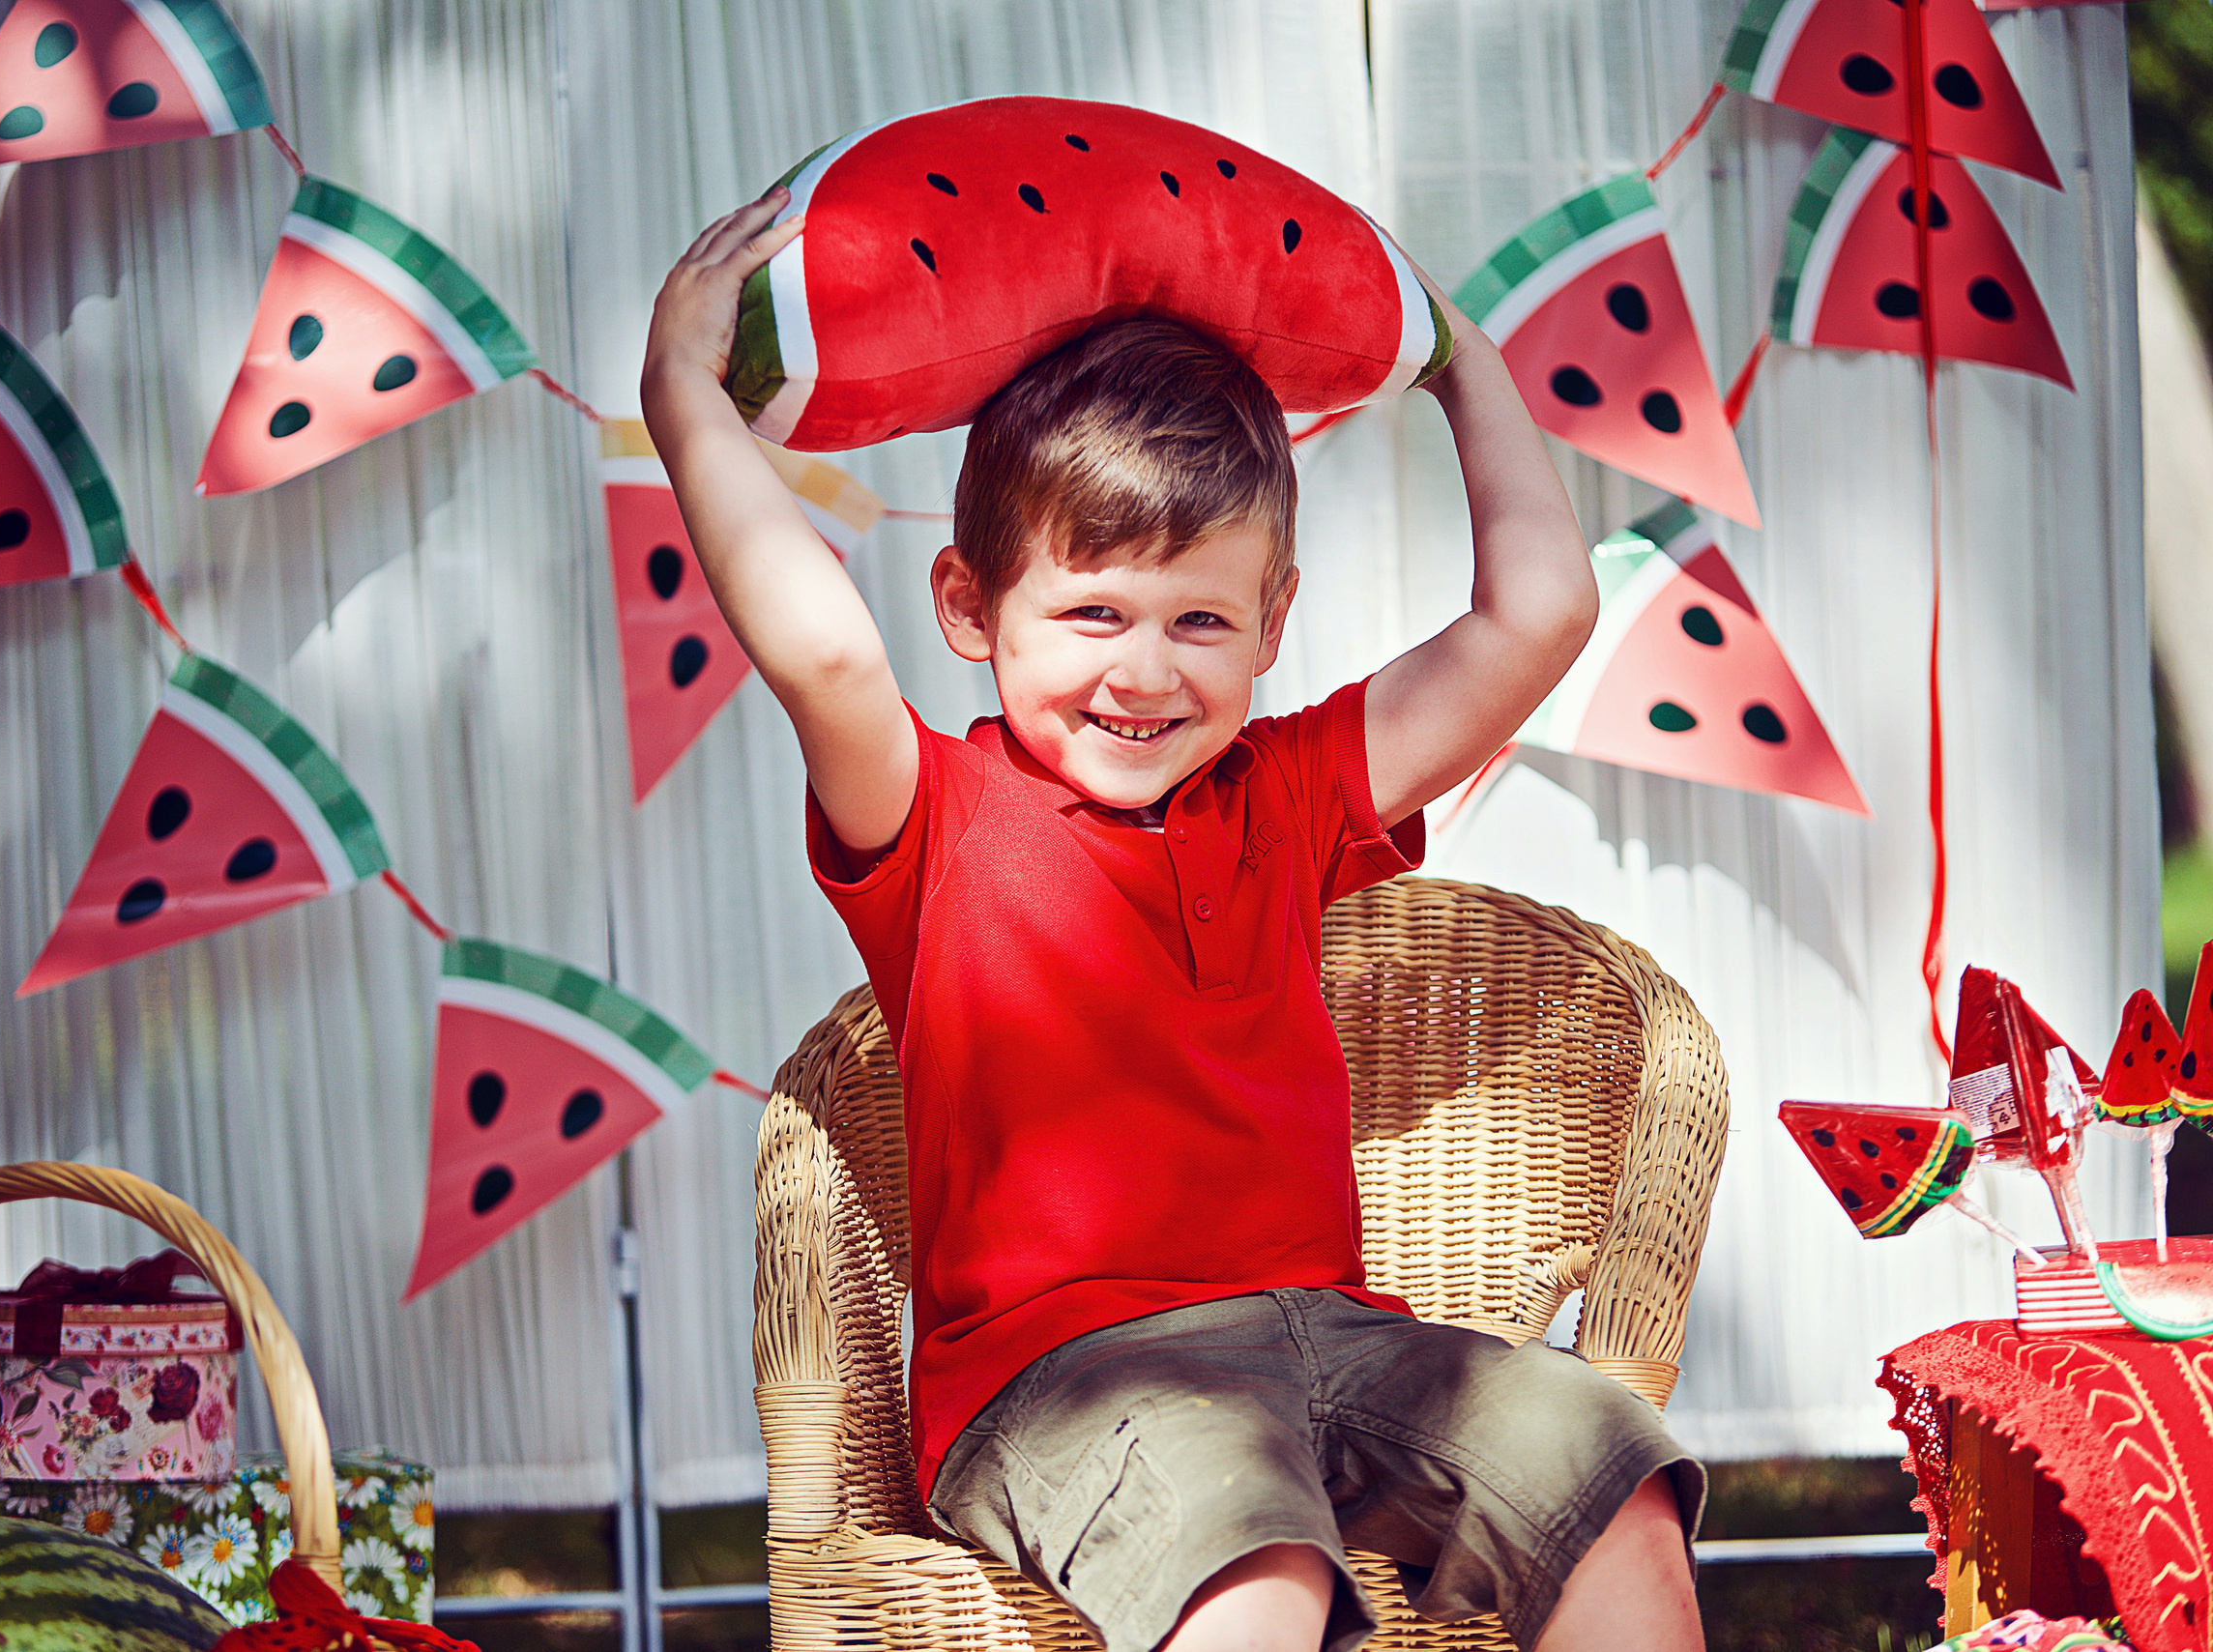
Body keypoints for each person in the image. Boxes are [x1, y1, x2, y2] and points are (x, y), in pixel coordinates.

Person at [642, 184, 1704, 1652]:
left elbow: (1537, 616)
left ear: (1272, 623)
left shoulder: (1287, 790)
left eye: (1201, 622)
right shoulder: (934, 815)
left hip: (1345, 1337)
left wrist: (1462, 360)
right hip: (1069, 1378)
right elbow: (821, 649)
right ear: (969, 604)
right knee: (1261, 1567)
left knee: (1616, 1484)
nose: (1146, 671)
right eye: (1092, 614)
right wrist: (687, 389)